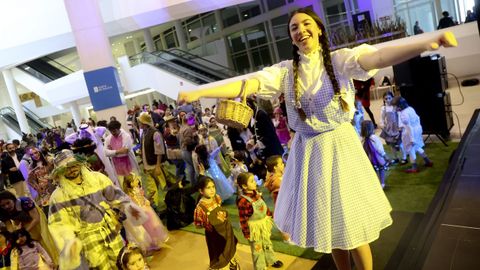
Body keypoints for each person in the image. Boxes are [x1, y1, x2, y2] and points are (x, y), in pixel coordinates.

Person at [178, 8, 457, 269]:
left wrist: (425, 43)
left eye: (306, 24)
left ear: (319, 29)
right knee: (332, 228)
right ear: (291, 37)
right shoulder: (286, 71)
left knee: (353, 226)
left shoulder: (339, 60)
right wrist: (201, 92)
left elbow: (377, 57)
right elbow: (247, 83)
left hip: (341, 149)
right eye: (294, 28)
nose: (300, 30)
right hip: (309, 153)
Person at [48, 149, 146, 270]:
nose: (72, 169)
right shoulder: (58, 196)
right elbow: (59, 226)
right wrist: (69, 244)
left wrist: (130, 210)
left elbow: (117, 196)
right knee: (100, 267)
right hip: (88, 240)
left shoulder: (97, 179)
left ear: (80, 163)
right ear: (60, 172)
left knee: (122, 262)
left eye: (74, 165)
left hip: (111, 230)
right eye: (66, 168)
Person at [236, 172, 283, 270]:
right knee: (257, 248)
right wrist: (247, 233)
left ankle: (271, 259)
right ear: (244, 186)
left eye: (254, 180)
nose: (255, 183)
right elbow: (243, 219)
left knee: (267, 243)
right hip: (254, 229)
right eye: (252, 181)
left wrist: (269, 215)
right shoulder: (243, 201)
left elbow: (264, 206)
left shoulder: (257, 193)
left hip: (263, 224)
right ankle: (260, 267)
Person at [0, 191, 58, 265]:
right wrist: (13, 237)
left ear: (13, 199)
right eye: (3, 205)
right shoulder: (2, 211)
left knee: (44, 239)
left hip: (36, 220)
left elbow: (36, 219)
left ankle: (54, 261)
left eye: (8, 203)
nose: (6, 207)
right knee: (31, 243)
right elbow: (9, 227)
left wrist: (23, 233)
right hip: (21, 223)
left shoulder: (25, 201)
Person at [194, 176, 239, 270]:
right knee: (219, 255)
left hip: (226, 229)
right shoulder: (200, 207)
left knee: (230, 247)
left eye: (213, 187)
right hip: (214, 236)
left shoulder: (217, 198)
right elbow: (199, 224)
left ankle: (232, 263)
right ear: (201, 191)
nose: (212, 190)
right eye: (208, 188)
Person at [122, 173, 169, 253]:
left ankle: (156, 241)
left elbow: (142, 197)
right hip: (141, 211)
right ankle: (152, 243)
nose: (137, 181)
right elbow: (133, 204)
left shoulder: (137, 189)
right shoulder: (130, 194)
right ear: (131, 183)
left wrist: (145, 201)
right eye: (135, 180)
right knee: (147, 228)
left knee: (153, 225)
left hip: (146, 209)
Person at [392, 97, 434, 173]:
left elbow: (409, 127)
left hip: (410, 133)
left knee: (411, 149)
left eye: (395, 106)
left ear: (399, 105)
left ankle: (414, 167)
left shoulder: (403, 114)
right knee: (417, 146)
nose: (394, 108)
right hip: (417, 129)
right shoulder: (410, 109)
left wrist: (412, 139)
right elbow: (418, 118)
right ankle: (428, 161)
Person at [138, 112, 169, 212]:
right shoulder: (144, 133)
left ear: (144, 122)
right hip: (148, 166)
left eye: (140, 122)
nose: (139, 123)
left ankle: (169, 204)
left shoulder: (155, 133)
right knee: (152, 188)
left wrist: (158, 166)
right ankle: (156, 207)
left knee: (164, 186)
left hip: (155, 165)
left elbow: (159, 150)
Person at [104, 120, 139, 188]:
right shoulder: (108, 138)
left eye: (114, 131)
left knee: (135, 186)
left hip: (129, 164)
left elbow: (125, 152)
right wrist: (117, 151)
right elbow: (106, 153)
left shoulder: (126, 136)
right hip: (117, 167)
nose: (112, 133)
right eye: (111, 131)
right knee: (123, 186)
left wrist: (112, 151)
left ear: (118, 128)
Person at [379, 91, 407, 165]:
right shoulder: (383, 108)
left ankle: (404, 157)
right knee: (392, 145)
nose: (388, 100)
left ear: (392, 98)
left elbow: (400, 117)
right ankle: (395, 158)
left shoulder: (396, 106)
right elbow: (382, 118)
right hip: (389, 129)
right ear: (384, 99)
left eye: (389, 98)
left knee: (400, 144)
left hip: (397, 128)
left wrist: (401, 127)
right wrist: (382, 124)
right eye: (386, 99)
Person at [360, 120, 389, 188]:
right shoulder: (374, 138)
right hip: (377, 158)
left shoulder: (363, 138)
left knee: (373, 170)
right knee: (381, 169)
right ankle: (382, 184)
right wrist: (384, 155)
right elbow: (379, 149)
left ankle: (374, 184)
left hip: (369, 158)